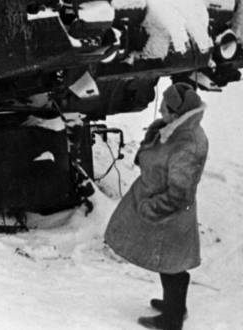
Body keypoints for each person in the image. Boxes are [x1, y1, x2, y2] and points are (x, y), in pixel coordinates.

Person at [104, 82, 209, 330]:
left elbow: (179, 194)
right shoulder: (176, 131)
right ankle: (175, 306)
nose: (159, 111)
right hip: (162, 208)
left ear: (176, 113)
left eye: (163, 108)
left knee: (171, 263)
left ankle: (172, 320)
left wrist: (151, 209)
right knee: (168, 262)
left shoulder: (187, 145)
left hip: (168, 213)